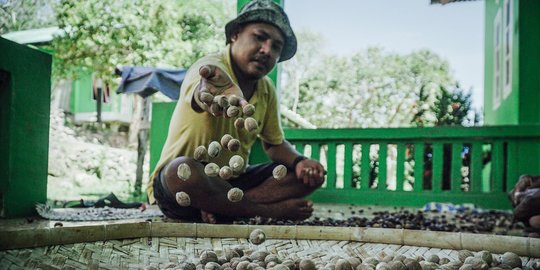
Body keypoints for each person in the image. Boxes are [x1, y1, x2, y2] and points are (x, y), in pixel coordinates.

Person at [147, 0, 326, 223]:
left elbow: (274, 144)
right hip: (188, 188)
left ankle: (225, 208)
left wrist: (300, 161)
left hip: (231, 182)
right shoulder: (210, 66)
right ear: (235, 35)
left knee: (310, 176)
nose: (267, 50)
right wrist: (208, 95)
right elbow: (200, 91)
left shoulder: (266, 90)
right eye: (259, 37)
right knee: (180, 171)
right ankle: (266, 211)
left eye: (276, 46)